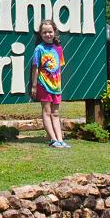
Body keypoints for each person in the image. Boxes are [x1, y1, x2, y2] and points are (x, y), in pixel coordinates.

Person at [30, 19, 70, 148]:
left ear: (54, 32)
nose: (48, 35)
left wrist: (58, 83)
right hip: (44, 85)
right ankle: (53, 140)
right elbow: (35, 68)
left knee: (56, 113)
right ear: (40, 34)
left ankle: (60, 139)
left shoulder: (58, 48)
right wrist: (34, 85)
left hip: (56, 86)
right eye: (44, 32)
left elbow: (58, 67)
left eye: (50, 32)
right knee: (47, 112)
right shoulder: (39, 49)